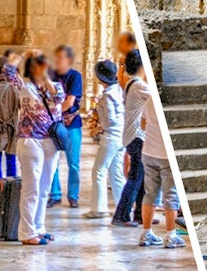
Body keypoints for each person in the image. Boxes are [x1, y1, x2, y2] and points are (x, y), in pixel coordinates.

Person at [15, 53, 65, 246]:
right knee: (31, 188)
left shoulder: (56, 87)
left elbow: (58, 98)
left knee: (44, 188)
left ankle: (39, 227)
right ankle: (26, 232)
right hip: (30, 140)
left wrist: (46, 79)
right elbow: (7, 72)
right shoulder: (24, 87)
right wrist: (23, 56)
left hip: (50, 141)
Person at [138, 90, 184, 248]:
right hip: (165, 154)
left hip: (148, 152)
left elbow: (143, 125)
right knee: (170, 194)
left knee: (150, 193)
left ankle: (146, 233)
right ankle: (171, 236)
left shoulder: (149, 99)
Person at [84, 59, 126, 219]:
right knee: (116, 173)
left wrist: (98, 128)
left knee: (99, 171)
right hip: (120, 136)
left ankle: (99, 208)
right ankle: (123, 208)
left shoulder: (108, 95)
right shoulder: (118, 90)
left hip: (111, 136)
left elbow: (110, 120)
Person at [113, 50, 149, 227]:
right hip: (137, 136)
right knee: (136, 177)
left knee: (142, 177)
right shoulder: (139, 85)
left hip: (133, 136)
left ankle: (141, 214)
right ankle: (121, 214)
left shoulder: (132, 83)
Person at [48, 45, 83, 208]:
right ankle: (54, 193)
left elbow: (69, 102)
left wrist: (52, 111)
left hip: (71, 125)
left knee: (73, 163)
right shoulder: (50, 76)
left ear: (68, 60)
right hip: (54, 125)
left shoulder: (75, 76)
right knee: (52, 161)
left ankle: (73, 195)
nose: (57, 61)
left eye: (60, 58)